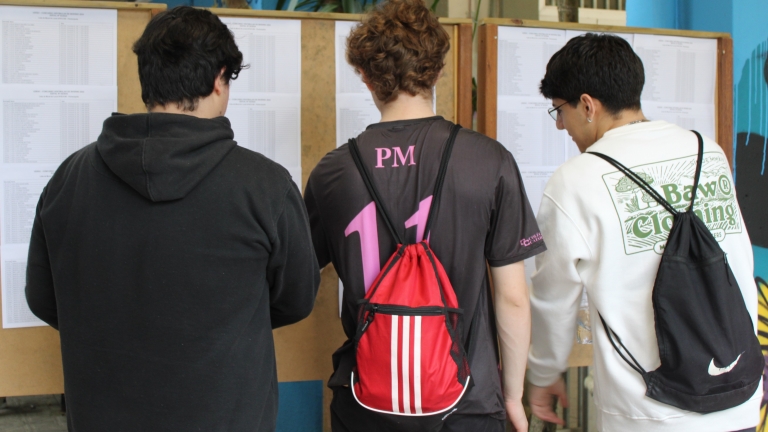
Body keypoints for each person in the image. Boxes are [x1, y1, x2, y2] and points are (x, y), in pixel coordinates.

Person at [25, 7, 319, 431]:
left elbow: (43, 297)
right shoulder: (265, 185)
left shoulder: (68, 179)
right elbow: (296, 299)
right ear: (219, 78)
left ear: (147, 79)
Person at [304, 1, 545, 431]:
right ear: (437, 71)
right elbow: (512, 297)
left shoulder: (333, 173)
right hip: (468, 402)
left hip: (365, 401)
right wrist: (512, 395)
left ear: (365, 75)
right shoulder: (489, 161)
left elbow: (301, 274)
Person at [526, 33, 760, 432]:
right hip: (737, 399)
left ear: (588, 106)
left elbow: (553, 300)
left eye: (560, 111)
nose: (561, 125)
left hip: (647, 412)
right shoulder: (707, 152)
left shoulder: (575, 181)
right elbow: (738, 260)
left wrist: (544, 373)